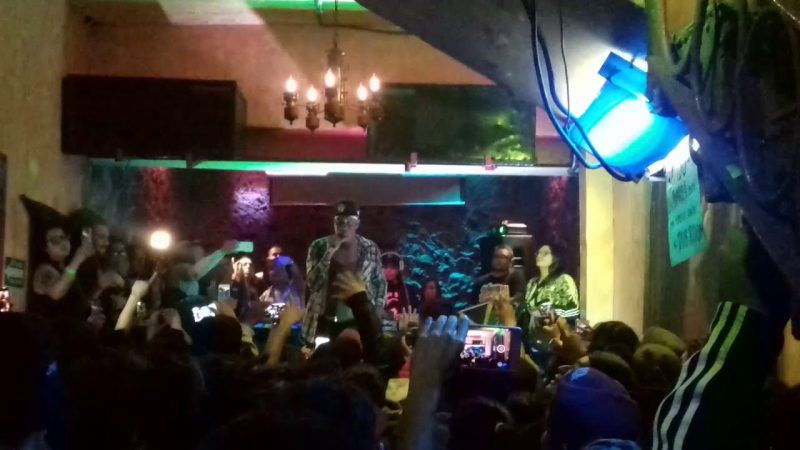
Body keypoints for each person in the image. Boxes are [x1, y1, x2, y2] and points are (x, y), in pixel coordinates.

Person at [303, 201, 386, 343]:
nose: (343, 227)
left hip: (357, 319)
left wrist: (378, 307)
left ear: (357, 224)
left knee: (356, 352)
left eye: (349, 222)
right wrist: (330, 252)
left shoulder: (370, 247)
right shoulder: (319, 246)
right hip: (325, 319)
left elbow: (379, 281)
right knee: (323, 355)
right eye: (339, 222)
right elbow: (312, 283)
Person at [30, 224, 96, 321]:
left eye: (64, 237)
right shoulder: (44, 270)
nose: (63, 242)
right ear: (45, 247)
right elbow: (56, 293)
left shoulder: (65, 268)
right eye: (55, 240)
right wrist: (78, 257)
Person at [522, 244, 579, 321]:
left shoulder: (564, 280)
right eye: (538, 253)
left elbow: (571, 310)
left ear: (555, 257)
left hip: (555, 326)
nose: (539, 256)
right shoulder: (532, 283)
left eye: (545, 253)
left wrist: (542, 312)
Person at [382, 252, 416, 320]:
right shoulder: (374, 288)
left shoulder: (409, 290)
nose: (388, 270)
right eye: (385, 267)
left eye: (392, 267)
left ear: (399, 269)